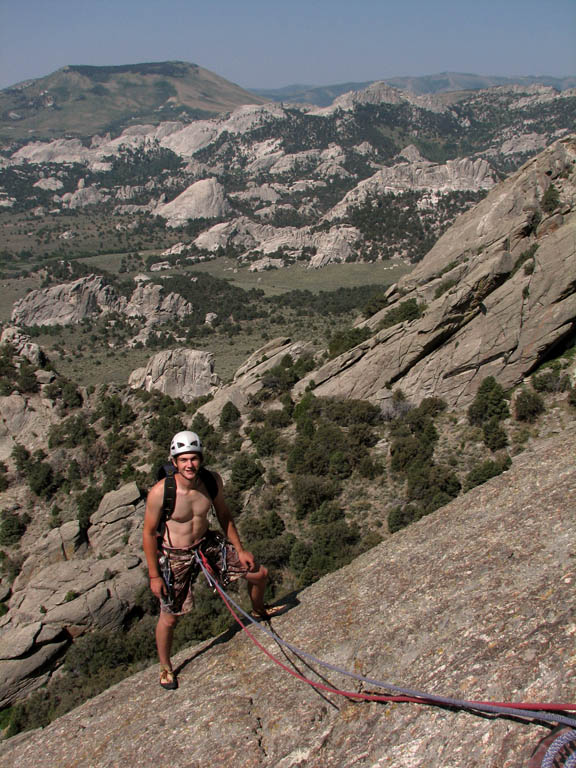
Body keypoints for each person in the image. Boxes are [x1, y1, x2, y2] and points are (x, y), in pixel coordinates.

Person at [143, 430, 270, 690]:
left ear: (201, 459)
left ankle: (258, 611)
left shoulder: (211, 482)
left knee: (259, 574)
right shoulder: (161, 492)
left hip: (205, 542)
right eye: (183, 460)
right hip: (175, 554)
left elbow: (224, 514)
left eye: (194, 459)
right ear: (175, 462)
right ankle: (165, 666)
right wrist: (155, 576)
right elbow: (148, 533)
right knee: (169, 617)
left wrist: (240, 549)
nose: (189, 465)